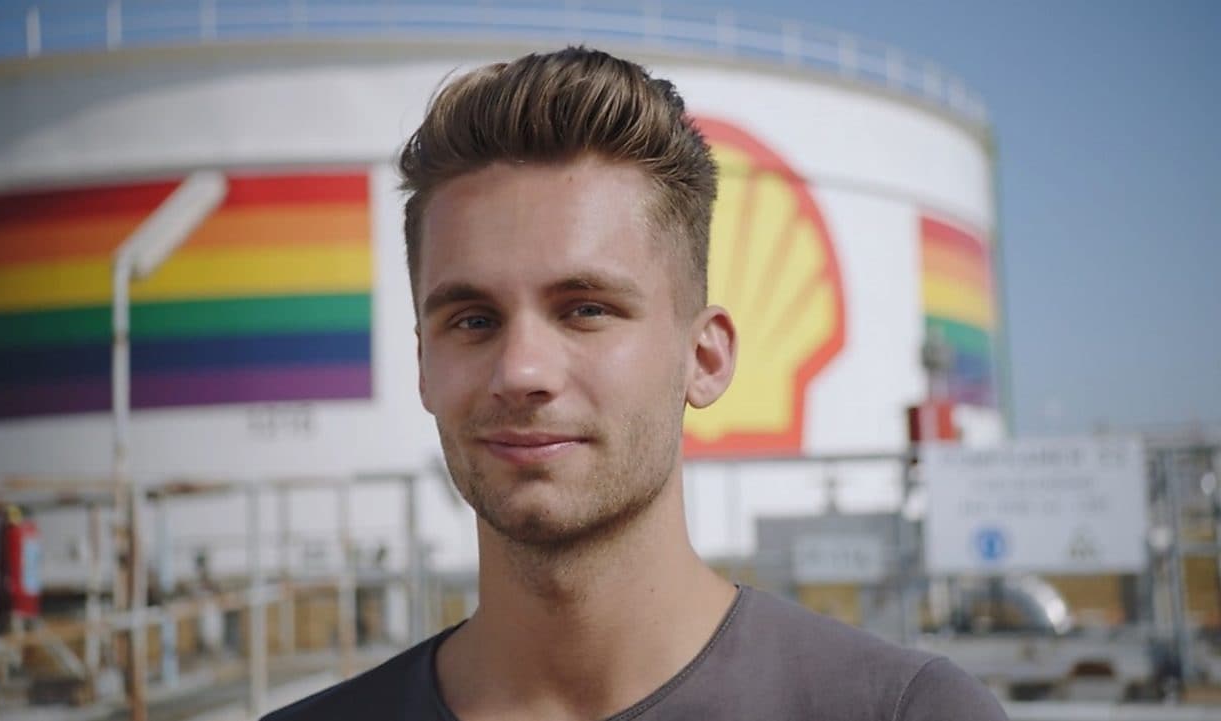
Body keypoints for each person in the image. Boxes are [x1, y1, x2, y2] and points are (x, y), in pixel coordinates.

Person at [265, 46, 1007, 721]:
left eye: (586, 309)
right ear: (424, 364)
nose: (521, 370)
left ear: (706, 357)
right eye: (473, 319)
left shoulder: (905, 713)